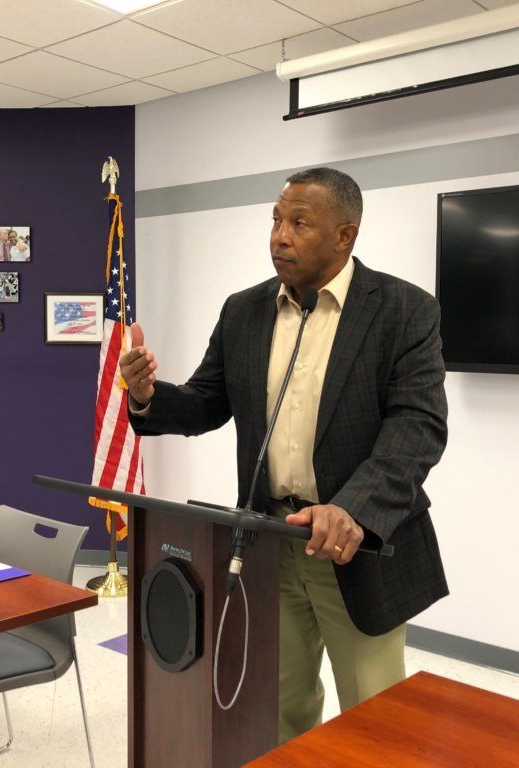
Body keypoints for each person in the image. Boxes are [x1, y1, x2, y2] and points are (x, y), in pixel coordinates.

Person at [119, 167, 448, 743]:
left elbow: (417, 427)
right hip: (269, 540)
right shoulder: (244, 311)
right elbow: (207, 402)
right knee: (281, 708)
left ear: (344, 235)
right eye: (275, 220)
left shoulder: (403, 310)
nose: (279, 236)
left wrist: (351, 509)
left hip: (356, 547)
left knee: (374, 720)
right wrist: (148, 397)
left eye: (299, 223)